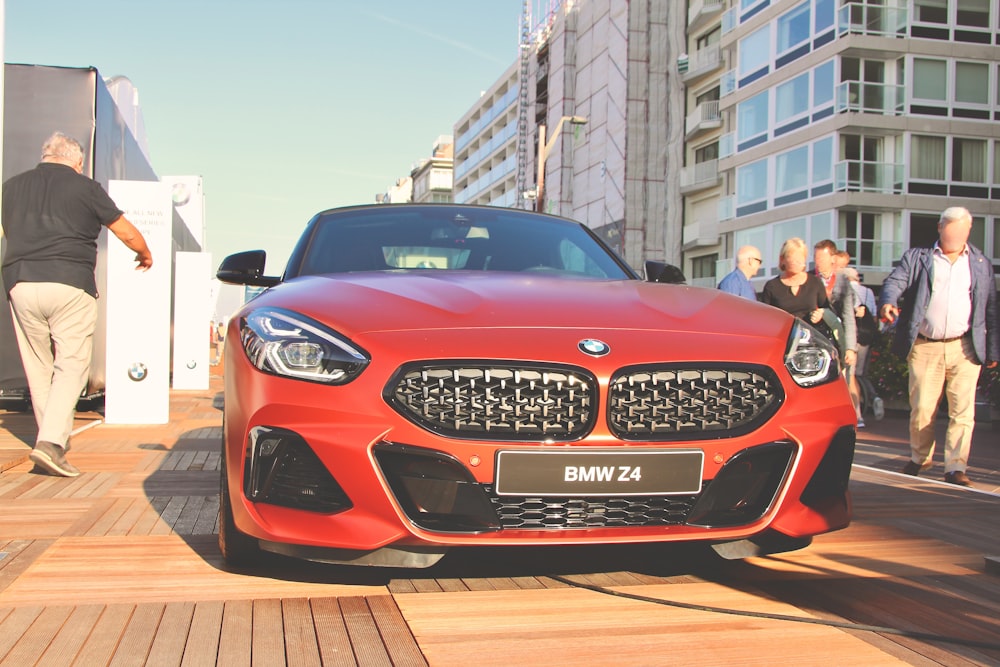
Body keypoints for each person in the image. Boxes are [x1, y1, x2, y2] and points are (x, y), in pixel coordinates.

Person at [2, 132, 153, 477]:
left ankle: (50, 440)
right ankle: (52, 443)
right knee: (71, 364)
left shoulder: (11, 187)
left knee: (38, 365)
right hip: (69, 282)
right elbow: (125, 231)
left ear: (46, 155)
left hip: (21, 281)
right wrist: (144, 253)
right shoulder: (85, 187)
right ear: (78, 161)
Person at [879, 206, 999, 487]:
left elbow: (991, 308)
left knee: (962, 411)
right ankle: (921, 458)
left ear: (968, 231)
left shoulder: (980, 264)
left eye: (962, 229)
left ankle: (956, 466)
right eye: (951, 228)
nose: (956, 234)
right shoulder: (918, 258)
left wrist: (992, 350)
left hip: (965, 347)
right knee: (922, 408)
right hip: (925, 346)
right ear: (940, 227)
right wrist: (888, 302)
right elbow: (895, 282)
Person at [813, 239, 858, 420]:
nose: (817, 262)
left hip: (837, 338)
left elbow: (849, 315)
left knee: (844, 381)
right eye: (815, 258)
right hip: (816, 338)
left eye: (821, 258)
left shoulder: (842, 282)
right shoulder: (810, 279)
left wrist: (850, 347)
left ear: (832, 258)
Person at [760, 237, 831, 325]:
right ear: (782, 259)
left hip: (811, 335)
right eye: (793, 258)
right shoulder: (772, 286)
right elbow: (765, 318)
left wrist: (821, 314)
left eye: (800, 258)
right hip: (783, 335)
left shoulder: (815, 282)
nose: (797, 262)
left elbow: (827, 310)